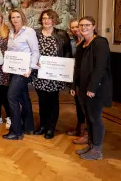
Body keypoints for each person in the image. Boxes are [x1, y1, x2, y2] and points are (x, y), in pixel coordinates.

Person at [71, 16, 112, 160]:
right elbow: (77, 68)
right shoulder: (82, 45)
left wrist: (92, 88)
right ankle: (91, 145)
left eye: (87, 25)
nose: (83, 28)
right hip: (82, 88)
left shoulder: (100, 42)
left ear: (93, 26)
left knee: (95, 118)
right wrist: (73, 85)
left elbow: (100, 67)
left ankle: (97, 151)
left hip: (95, 89)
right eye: (81, 25)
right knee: (89, 118)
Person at [32, 9, 72, 139]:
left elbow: (67, 53)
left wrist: (64, 71)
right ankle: (43, 126)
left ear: (54, 20)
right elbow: (31, 50)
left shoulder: (61, 34)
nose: (46, 21)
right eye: (44, 18)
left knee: (53, 101)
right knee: (42, 101)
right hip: (39, 74)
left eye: (49, 18)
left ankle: (51, 128)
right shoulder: (36, 34)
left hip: (55, 75)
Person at [2, 9, 39, 140]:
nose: (15, 19)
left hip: (24, 71)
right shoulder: (11, 32)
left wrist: (31, 68)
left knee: (11, 96)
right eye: (13, 17)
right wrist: (6, 65)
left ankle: (16, 131)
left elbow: (35, 51)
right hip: (14, 69)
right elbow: (10, 52)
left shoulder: (29, 32)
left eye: (18, 17)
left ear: (22, 18)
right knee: (23, 97)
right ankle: (28, 126)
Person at [66, 18, 87, 143]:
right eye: (72, 27)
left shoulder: (88, 41)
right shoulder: (72, 41)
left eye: (76, 26)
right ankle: (79, 127)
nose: (75, 29)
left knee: (85, 105)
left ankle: (87, 132)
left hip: (85, 76)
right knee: (78, 103)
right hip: (75, 76)